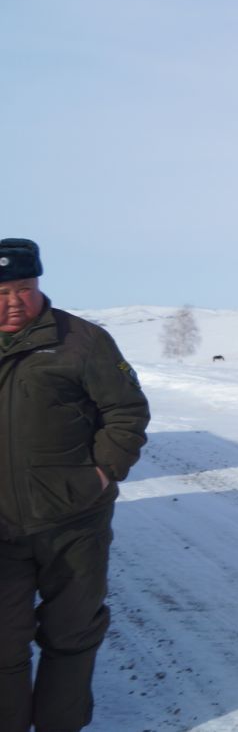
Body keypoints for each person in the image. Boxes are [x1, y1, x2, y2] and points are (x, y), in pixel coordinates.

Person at [0, 239, 150, 732]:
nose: (13, 300)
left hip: (74, 520)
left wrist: (102, 473)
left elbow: (126, 411)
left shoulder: (82, 341)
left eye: (24, 287)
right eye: (1, 291)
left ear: (39, 284)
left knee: (72, 633)